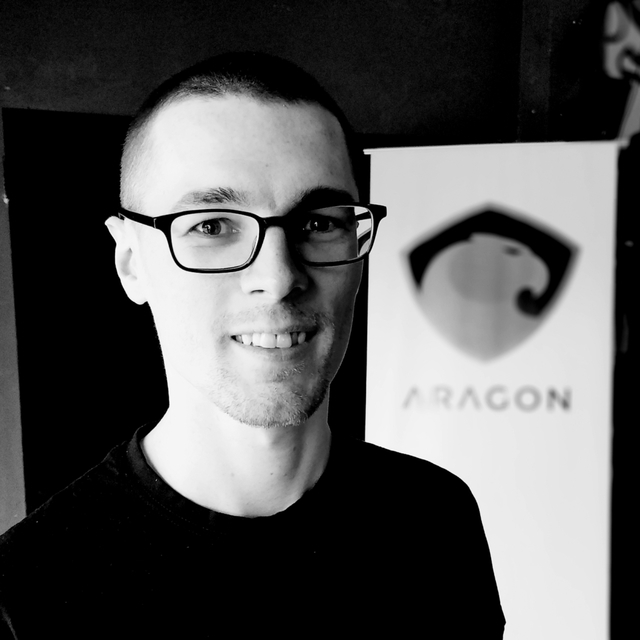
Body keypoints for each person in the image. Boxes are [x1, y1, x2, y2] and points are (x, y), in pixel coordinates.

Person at [0, 52, 505, 638]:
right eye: (211, 225)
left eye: (319, 223)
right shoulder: (26, 592)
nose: (279, 276)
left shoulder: (435, 518)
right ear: (131, 261)